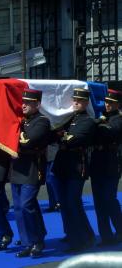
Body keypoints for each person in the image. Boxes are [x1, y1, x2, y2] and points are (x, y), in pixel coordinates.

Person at [52, 88, 95, 252]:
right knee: (65, 203)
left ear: (85, 103)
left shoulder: (88, 121)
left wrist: (61, 136)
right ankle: (76, 234)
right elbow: (57, 135)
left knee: (72, 203)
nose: (75, 102)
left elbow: (73, 140)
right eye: (74, 100)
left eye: (79, 100)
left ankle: (81, 240)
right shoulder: (68, 119)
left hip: (76, 166)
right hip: (62, 165)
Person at [10, 88, 51, 258]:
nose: (24, 105)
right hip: (17, 167)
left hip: (32, 168)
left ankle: (37, 241)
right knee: (20, 207)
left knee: (27, 204)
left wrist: (14, 138)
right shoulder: (22, 121)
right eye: (23, 102)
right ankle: (28, 242)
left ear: (37, 104)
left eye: (28, 103)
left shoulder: (42, 121)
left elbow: (28, 142)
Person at [90, 89, 122, 245]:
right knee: (98, 202)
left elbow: (110, 131)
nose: (107, 105)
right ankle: (106, 236)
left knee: (109, 199)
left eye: (111, 103)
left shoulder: (118, 119)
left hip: (111, 164)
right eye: (106, 102)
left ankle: (120, 230)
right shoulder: (102, 118)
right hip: (97, 163)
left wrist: (94, 125)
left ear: (117, 104)